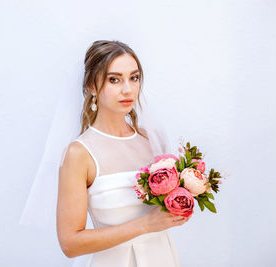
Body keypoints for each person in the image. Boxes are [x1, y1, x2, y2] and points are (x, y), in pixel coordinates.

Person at [56, 40, 192, 267]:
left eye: (134, 77)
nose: (128, 89)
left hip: (162, 258)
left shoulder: (152, 139)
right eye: (114, 79)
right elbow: (70, 243)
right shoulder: (79, 153)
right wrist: (146, 224)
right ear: (91, 86)